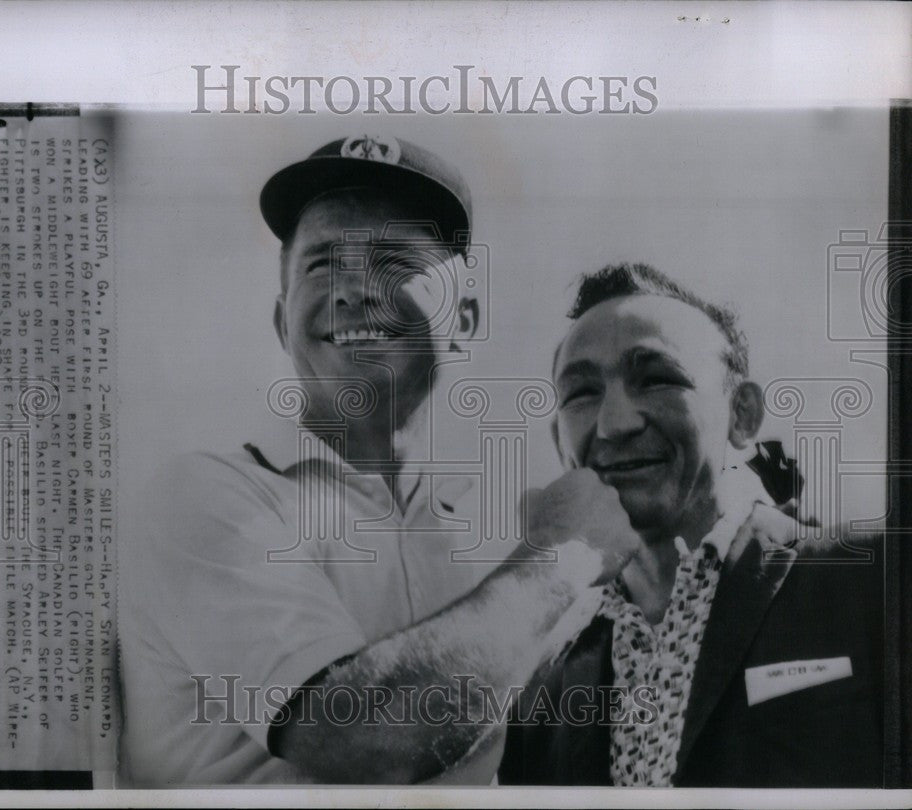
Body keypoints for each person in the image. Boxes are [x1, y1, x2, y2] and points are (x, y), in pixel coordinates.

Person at [119, 136, 641, 785]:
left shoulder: (492, 542)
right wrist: (565, 556)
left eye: (394, 260)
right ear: (284, 323)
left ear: (465, 316)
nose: (353, 291)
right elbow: (362, 738)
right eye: (321, 264)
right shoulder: (204, 498)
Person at [498, 263, 886, 787]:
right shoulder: (541, 698)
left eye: (656, 379)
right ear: (558, 442)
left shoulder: (873, 583)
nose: (614, 424)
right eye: (582, 393)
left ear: (743, 415)